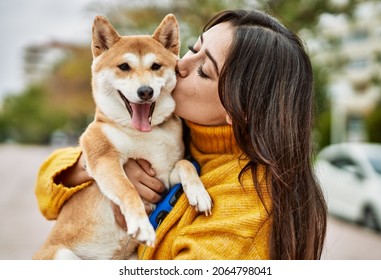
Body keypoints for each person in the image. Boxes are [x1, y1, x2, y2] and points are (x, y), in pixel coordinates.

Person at [35, 9, 327, 260]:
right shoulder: (170, 121)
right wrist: (93, 169)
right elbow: (45, 190)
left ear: (241, 108)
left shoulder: (247, 205)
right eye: (192, 47)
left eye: (204, 70)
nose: (180, 64)